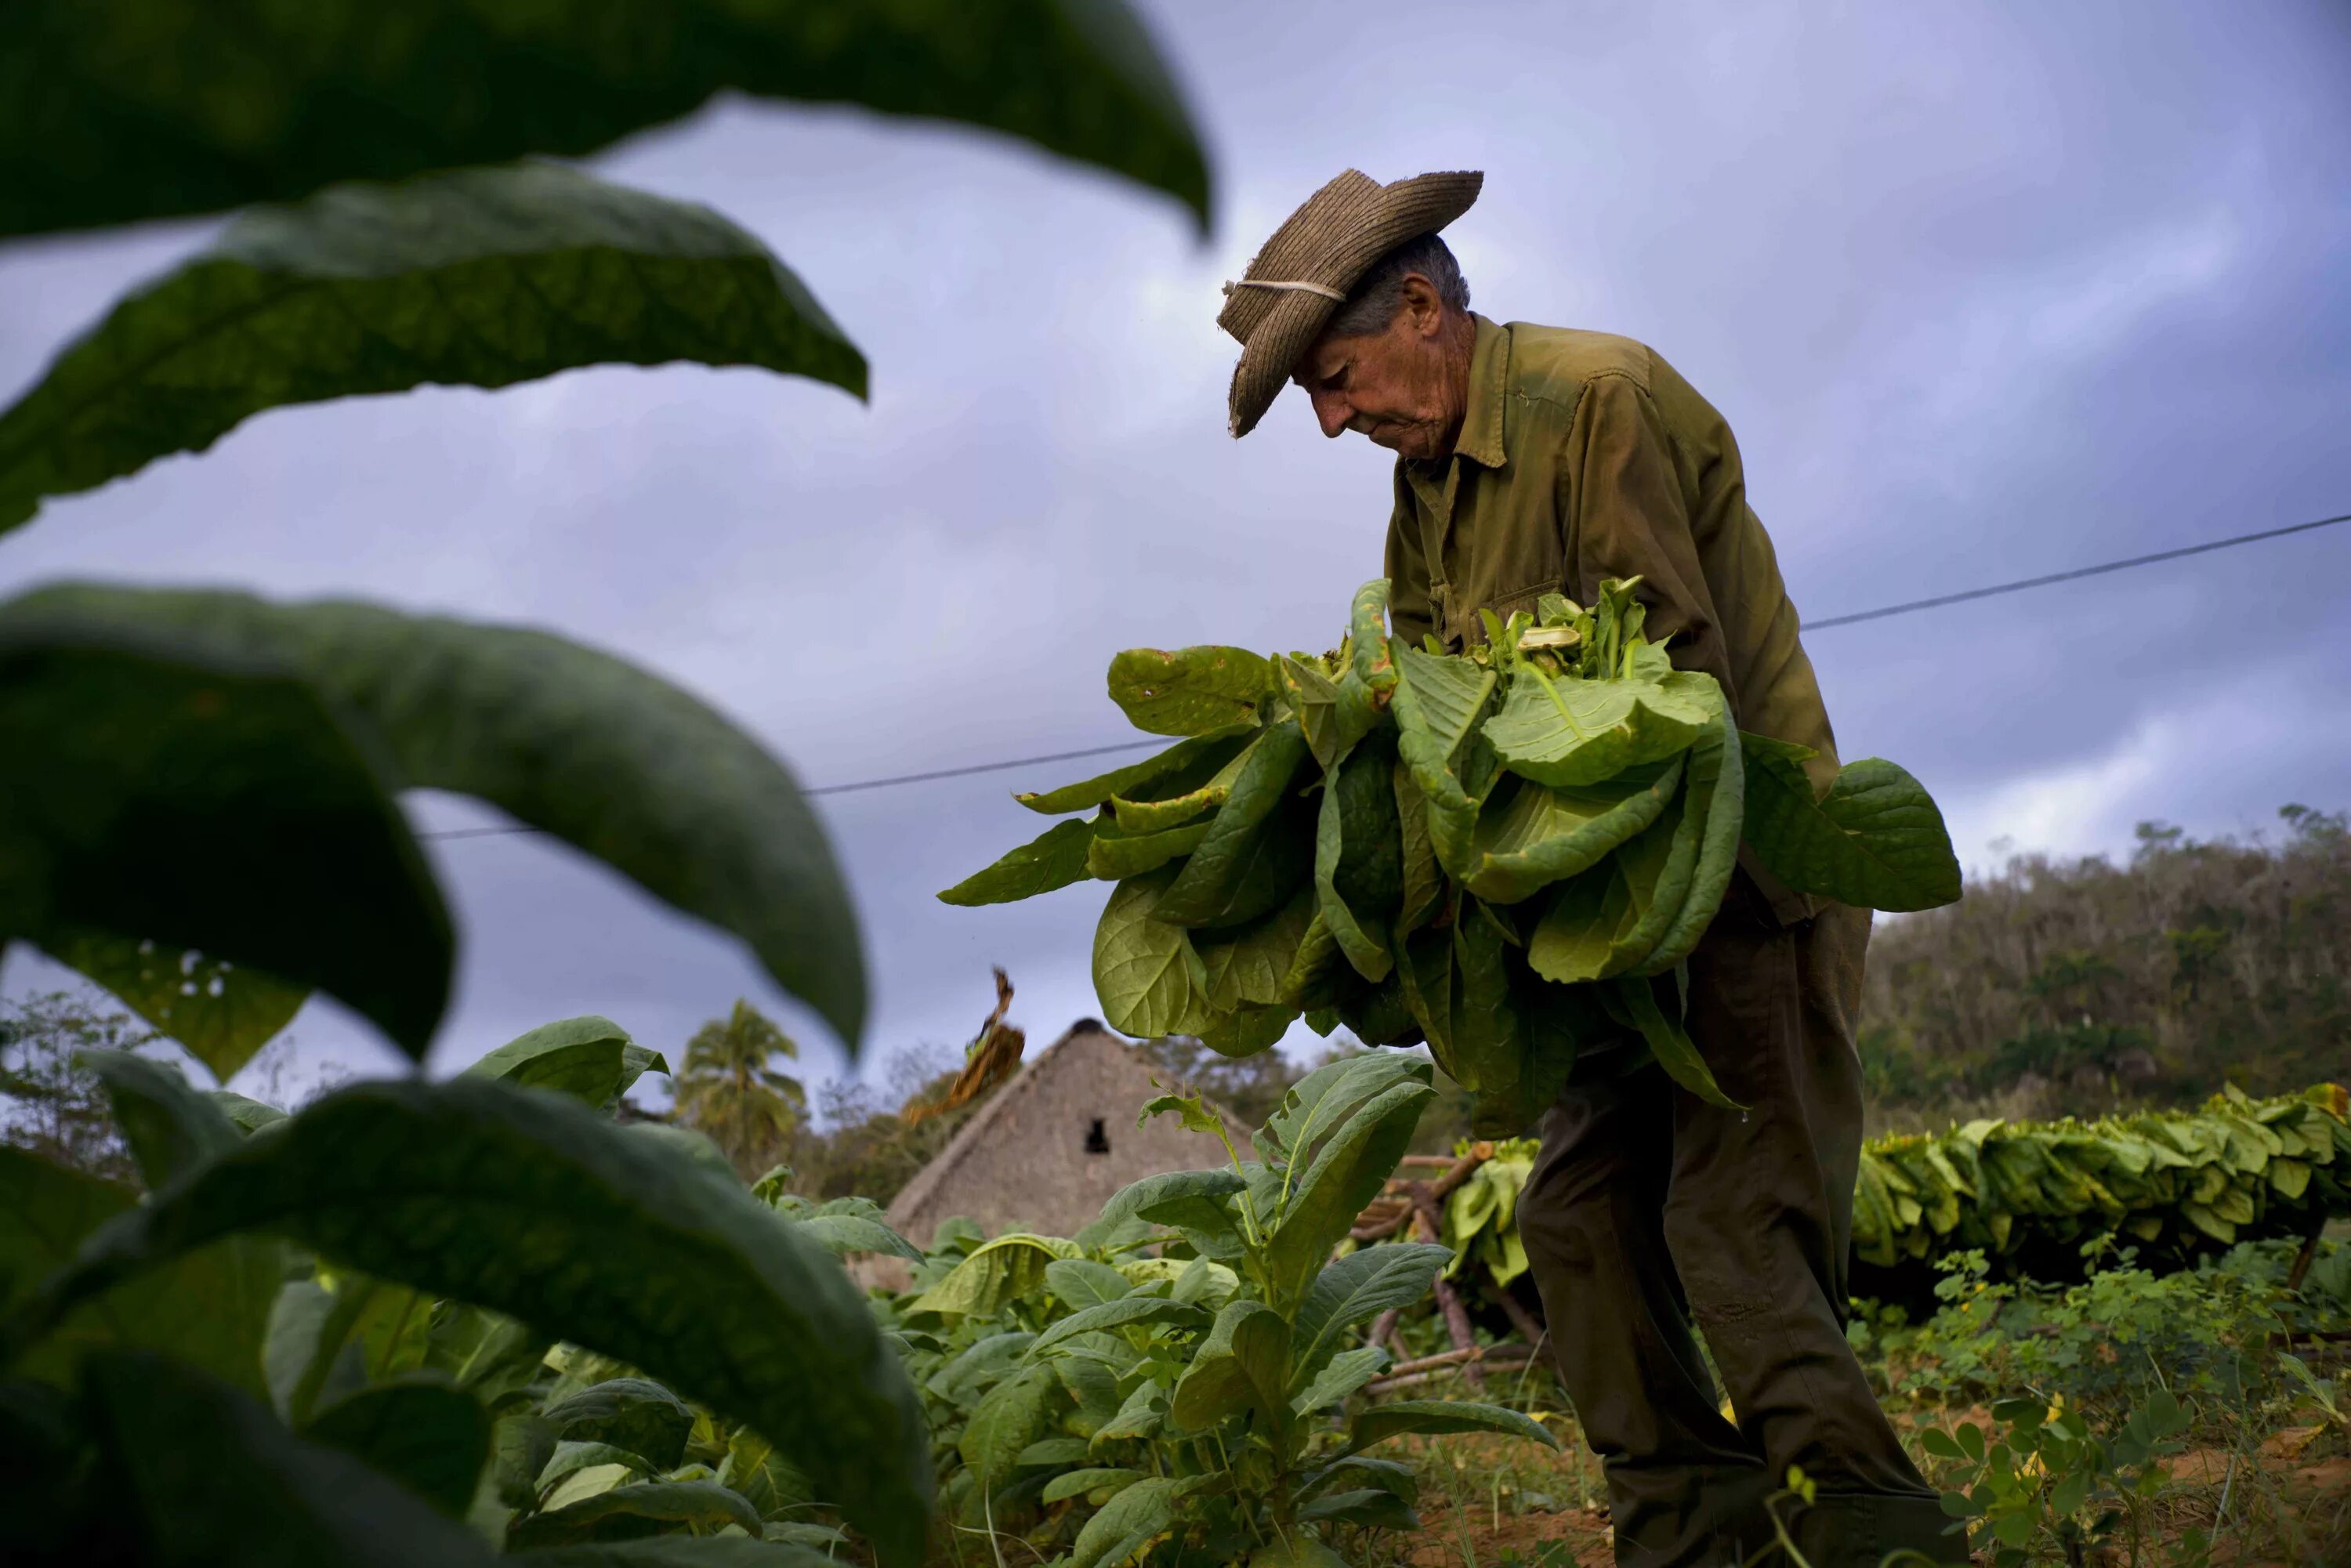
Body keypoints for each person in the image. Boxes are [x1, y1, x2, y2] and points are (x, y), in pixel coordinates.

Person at [1215, 169, 1965, 1568]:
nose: (1332, 418)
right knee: (1571, 1223)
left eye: (1333, 377)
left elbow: (1669, 686)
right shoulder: (1421, 488)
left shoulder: (1594, 398)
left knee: (1733, 1225)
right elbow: (1441, 703)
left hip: (1741, 885)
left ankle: (1884, 1537)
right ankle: (1693, 1533)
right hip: (1604, 927)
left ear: (1424, 306)